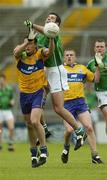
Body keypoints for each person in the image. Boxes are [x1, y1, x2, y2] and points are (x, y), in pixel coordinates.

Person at [24, 12, 86, 150]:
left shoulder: (54, 32)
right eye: (48, 17)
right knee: (36, 100)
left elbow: (49, 52)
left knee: (58, 108)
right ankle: (44, 128)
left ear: (57, 25)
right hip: (45, 70)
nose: (48, 18)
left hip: (55, 71)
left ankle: (79, 129)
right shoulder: (41, 36)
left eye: (52, 18)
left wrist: (32, 25)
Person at [13, 28, 54, 167]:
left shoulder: (39, 53)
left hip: (38, 92)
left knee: (35, 121)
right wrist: (26, 42)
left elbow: (50, 52)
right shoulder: (21, 55)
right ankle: (33, 154)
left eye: (31, 44)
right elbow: (16, 52)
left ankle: (43, 150)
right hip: (24, 94)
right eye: (27, 44)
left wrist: (52, 38)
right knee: (29, 125)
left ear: (35, 45)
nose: (29, 46)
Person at [61, 49, 103, 164]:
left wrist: (98, 66)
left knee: (89, 127)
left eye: (71, 55)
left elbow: (96, 79)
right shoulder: (60, 69)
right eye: (67, 55)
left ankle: (95, 155)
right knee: (69, 130)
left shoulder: (82, 68)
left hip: (80, 102)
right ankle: (66, 147)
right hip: (66, 104)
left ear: (75, 57)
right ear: (64, 57)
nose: (69, 57)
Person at [87, 39, 107, 135]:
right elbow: (96, 80)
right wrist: (98, 66)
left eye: (101, 47)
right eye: (97, 47)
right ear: (94, 48)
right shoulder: (91, 63)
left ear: (105, 48)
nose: (99, 48)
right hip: (101, 92)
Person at [0, 73, 15, 151]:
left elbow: (12, 98)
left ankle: (10, 143)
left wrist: (12, 102)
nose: (1, 82)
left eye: (2, 80)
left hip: (7, 111)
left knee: (11, 128)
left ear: (5, 80)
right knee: (0, 129)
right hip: (0, 111)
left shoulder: (9, 89)